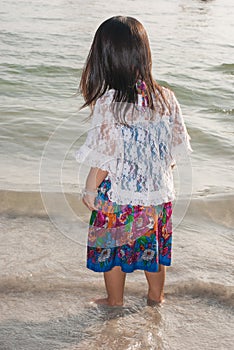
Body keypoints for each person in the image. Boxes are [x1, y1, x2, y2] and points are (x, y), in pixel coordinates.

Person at [76, 16, 192, 307]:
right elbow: (173, 152)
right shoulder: (166, 98)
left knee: (113, 250)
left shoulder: (108, 102)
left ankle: (115, 301)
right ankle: (156, 297)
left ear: (105, 59)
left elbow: (105, 154)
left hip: (118, 195)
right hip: (157, 196)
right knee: (152, 250)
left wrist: (90, 190)